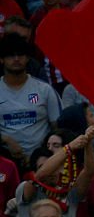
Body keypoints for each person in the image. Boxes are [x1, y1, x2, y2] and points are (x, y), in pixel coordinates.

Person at [0, 35, 62, 166]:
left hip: (41, 163)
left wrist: (42, 154)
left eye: (21, 55)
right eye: (11, 55)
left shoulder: (45, 90)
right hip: (4, 161)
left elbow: (58, 129)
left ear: (28, 58)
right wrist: (5, 140)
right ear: (1, 59)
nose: (16, 59)